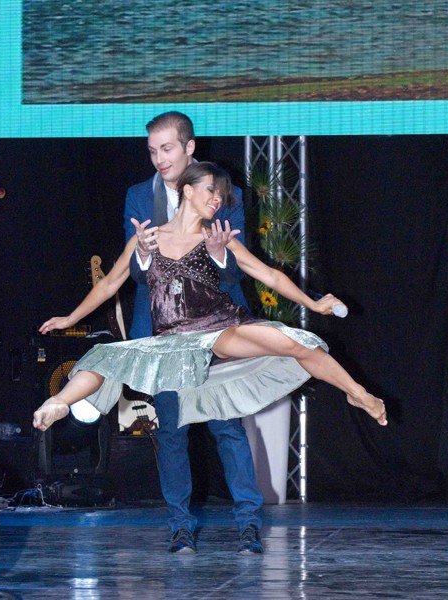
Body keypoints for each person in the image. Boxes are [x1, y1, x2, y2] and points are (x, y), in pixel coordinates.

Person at [34, 162, 388, 535]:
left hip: (218, 328)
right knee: (106, 357)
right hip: (170, 340)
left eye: (221, 195)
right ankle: (59, 402)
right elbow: (109, 285)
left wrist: (312, 302)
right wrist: (70, 318)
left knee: (296, 342)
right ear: (187, 190)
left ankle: (357, 393)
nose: (217, 200)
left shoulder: (215, 237)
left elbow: (268, 274)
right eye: (210, 191)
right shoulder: (148, 238)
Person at [122, 111, 263, 555]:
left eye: (166, 149)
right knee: (171, 433)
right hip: (162, 333)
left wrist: (220, 256)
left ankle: (249, 523)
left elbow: (238, 269)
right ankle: (180, 526)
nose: (159, 159)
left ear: (189, 148)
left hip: (215, 332)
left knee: (228, 427)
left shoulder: (224, 194)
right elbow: (132, 274)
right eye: (152, 151)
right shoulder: (138, 197)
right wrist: (144, 256)